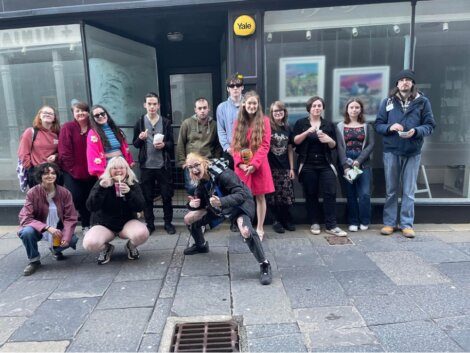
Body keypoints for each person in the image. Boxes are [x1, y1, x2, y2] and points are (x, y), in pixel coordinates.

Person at [183, 153, 272, 285]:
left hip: (239, 205)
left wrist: (221, 202)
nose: (194, 169)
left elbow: (241, 195)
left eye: (197, 165)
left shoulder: (224, 174)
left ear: (204, 163)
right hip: (218, 208)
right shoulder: (201, 181)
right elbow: (201, 202)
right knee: (189, 218)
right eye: (190, 167)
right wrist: (192, 204)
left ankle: (264, 265)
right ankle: (200, 245)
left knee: (246, 230)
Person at [375, 69, 436, 238]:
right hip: (391, 151)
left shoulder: (423, 102)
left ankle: (407, 224)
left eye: (408, 80)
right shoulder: (387, 101)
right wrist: (390, 127)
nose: (404, 82)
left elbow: (430, 125)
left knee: (409, 190)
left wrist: (416, 131)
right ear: (397, 84)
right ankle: (389, 223)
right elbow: (378, 125)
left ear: (412, 84)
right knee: (391, 190)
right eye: (401, 80)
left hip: (412, 151)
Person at [293, 96, 347, 236]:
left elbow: (334, 146)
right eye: (314, 106)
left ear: (323, 108)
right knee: (311, 194)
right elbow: (295, 142)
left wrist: (329, 140)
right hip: (307, 164)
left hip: (325, 164)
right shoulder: (301, 123)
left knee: (330, 193)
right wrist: (307, 132)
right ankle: (314, 222)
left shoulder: (328, 125)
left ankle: (331, 225)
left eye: (319, 106)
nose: (317, 108)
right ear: (309, 108)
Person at [83, 156, 149, 265]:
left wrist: (129, 193)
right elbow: (91, 206)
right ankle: (106, 248)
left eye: (122, 168)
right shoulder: (102, 183)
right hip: (104, 224)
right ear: (109, 171)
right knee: (90, 243)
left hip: (126, 223)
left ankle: (130, 246)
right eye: (114, 168)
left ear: (127, 170)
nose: (118, 170)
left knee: (142, 234)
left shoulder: (131, 183)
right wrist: (101, 189)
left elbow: (140, 207)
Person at [18, 162, 79, 276]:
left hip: (57, 229)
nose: (50, 176)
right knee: (27, 232)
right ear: (40, 176)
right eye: (46, 173)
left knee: (72, 239)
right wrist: (46, 227)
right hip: (39, 229)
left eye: (53, 173)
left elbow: (71, 217)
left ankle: (55, 249)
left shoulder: (64, 192)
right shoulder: (33, 193)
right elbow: (25, 217)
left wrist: (66, 236)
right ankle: (34, 261)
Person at [232, 91, 274, 240]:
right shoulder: (238, 122)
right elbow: (235, 146)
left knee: (260, 197)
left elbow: (265, 145)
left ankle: (260, 228)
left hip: (259, 166)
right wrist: (241, 164)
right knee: (243, 198)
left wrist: (254, 164)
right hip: (243, 168)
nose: (251, 106)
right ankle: (246, 228)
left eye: (254, 103)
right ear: (244, 104)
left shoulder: (265, 121)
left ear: (258, 105)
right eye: (249, 103)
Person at [132, 92, 176, 234]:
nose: (152, 107)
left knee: (166, 196)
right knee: (147, 197)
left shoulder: (165, 122)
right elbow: (136, 144)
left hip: (163, 166)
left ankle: (168, 223)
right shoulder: (139, 122)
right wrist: (140, 138)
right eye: (149, 104)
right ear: (145, 105)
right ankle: (150, 224)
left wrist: (164, 145)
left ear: (158, 105)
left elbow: (171, 144)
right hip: (146, 166)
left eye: (154, 104)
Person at [58, 101, 96, 234]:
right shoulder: (67, 127)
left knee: (89, 197)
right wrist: (73, 169)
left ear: (88, 112)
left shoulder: (94, 127)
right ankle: (61, 226)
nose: (80, 113)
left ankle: (87, 224)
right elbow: (64, 151)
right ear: (73, 113)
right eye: (77, 111)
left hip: (91, 170)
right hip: (72, 170)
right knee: (76, 197)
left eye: (83, 110)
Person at [336, 98, 374, 232]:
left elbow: (370, 145)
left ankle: (365, 220)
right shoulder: (340, 126)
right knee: (350, 194)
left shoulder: (367, 125)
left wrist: (359, 160)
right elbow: (340, 147)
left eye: (357, 107)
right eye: (351, 107)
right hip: (347, 161)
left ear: (361, 110)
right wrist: (345, 166)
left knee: (364, 194)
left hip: (363, 162)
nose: (354, 110)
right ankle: (353, 221)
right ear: (347, 109)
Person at [176, 97, 222, 195]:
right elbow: (180, 143)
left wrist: (216, 160)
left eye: (204, 108)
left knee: (210, 189)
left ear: (208, 109)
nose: (202, 111)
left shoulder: (214, 125)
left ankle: (208, 210)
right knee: (192, 189)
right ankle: (195, 209)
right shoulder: (187, 123)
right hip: (191, 163)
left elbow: (218, 145)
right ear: (195, 110)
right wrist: (183, 162)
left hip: (208, 162)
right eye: (199, 108)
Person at [266, 101, 296, 233]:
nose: (278, 113)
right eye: (275, 111)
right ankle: (276, 220)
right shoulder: (268, 127)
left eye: (280, 110)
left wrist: (291, 168)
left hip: (284, 167)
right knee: (272, 196)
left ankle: (286, 219)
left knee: (286, 195)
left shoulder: (288, 128)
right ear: (271, 114)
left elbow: (290, 149)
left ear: (284, 112)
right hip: (270, 167)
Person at [18, 105, 60, 188]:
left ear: (54, 118)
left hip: (53, 173)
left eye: (50, 113)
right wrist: (32, 169)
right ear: (40, 116)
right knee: (38, 199)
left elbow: (61, 151)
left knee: (54, 199)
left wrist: (55, 156)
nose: (47, 114)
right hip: (37, 174)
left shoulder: (58, 133)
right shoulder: (31, 132)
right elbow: (22, 153)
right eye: (44, 113)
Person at [86, 105, 133, 177]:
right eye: (97, 115)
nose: (101, 116)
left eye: (102, 113)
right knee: (110, 188)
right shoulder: (92, 133)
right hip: (107, 167)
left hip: (121, 164)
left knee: (125, 187)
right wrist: (100, 173)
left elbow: (125, 148)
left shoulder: (116, 129)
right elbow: (92, 153)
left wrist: (129, 162)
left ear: (106, 114)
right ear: (93, 119)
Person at [217, 73, 244, 169]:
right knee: (231, 182)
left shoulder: (249, 104)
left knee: (247, 182)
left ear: (242, 87)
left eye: (238, 85)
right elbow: (221, 130)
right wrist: (228, 148)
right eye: (232, 86)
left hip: (247, 150)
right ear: (228, 89)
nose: (235, 88)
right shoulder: (221, 107)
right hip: (229, 151)